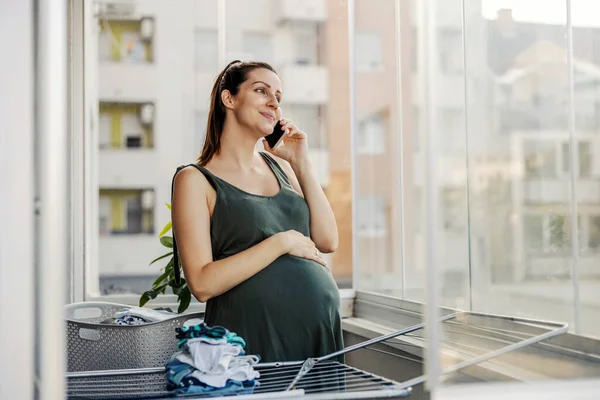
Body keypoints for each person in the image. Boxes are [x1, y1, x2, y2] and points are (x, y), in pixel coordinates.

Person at [171, 60, 344, 363]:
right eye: (261, 91)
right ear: (229, 99)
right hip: (249, 339)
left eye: (278, 96)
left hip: (316, 339)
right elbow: (201, 283)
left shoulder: (283, 169)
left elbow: (327, 240)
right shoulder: (194, 180)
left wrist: (301, 163)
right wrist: (281, 243)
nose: (274, 103)